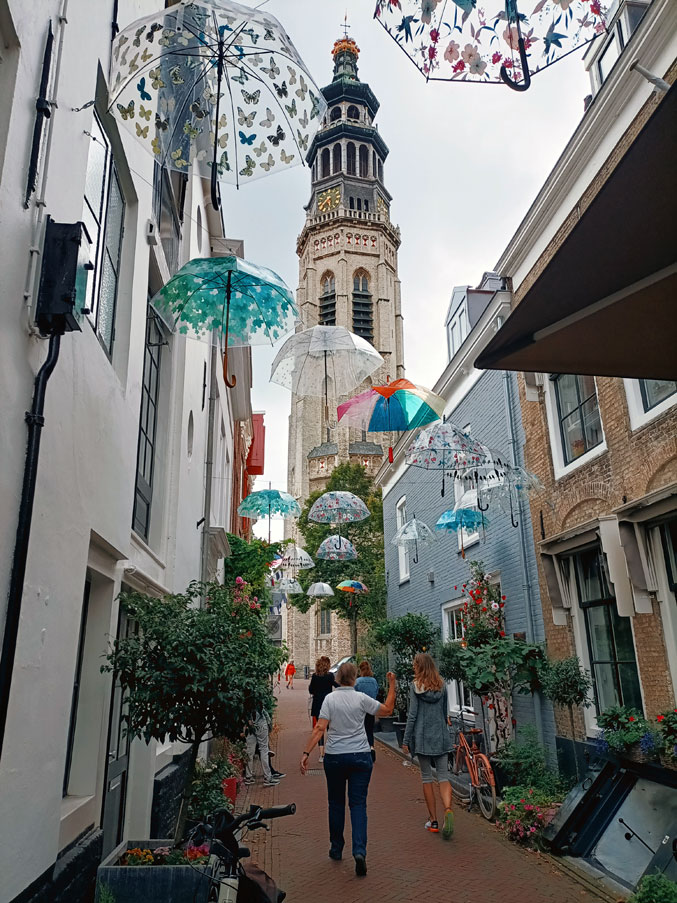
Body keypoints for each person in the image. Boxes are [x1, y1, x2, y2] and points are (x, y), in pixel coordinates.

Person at [300, 663, 397, 877]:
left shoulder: (330, 699)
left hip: (335, 756)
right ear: (354, 679)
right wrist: (392, 685)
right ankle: (359, 851)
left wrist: (306, 752)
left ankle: (336, 848)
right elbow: (387, 710)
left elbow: (320, 728)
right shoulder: (361, 698)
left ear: (338, 679)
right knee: (358, 804)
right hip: (360, 755)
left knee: (336, 803)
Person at [402, 653, 454, 840]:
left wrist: (406, 740)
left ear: (420, 667)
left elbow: (412, 715)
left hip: (422, 737)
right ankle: (448, 809)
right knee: (443, 777)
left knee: (426, 778)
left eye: (415, 665)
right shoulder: (442, 685)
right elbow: (444, 713)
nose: (413, 667)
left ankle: (433, 821)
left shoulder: (416, 687)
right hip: (441, 735)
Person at [308, 656, 337, 764]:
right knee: (330, 728)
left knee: (320, 729)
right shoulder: (330, 676)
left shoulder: (315, 676)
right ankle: (331, 751)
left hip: (317, 705)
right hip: (328, 705)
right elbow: (337, 685)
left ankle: (321, 754)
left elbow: (311, 690)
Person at [244, 709, 279, 787]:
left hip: (248, 724)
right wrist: (269, 724)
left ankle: (248, 777)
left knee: (250, 751)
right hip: (260, 722)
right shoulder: (259, 705)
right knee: (264, 750)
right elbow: (263, 709)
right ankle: (267, 778)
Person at [355, 661, 379, 762]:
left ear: (360, 670)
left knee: (360, 730)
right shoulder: (374, 681)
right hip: (371, 708)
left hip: (360, 709)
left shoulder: (358, 681)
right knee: (369, 730)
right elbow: (376, 692)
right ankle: (371, 747)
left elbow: (354, 694)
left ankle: (362, 751)